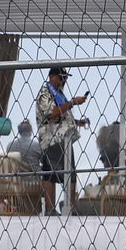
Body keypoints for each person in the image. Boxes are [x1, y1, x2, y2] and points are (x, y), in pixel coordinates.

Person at [34, 65, 90, 214]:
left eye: (64, 79)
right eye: (61, 78)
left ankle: (69, 207)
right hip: (51, 138)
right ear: (52, 76)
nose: (63, 81)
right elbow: (51, 114)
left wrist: (78, 122)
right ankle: (50, 209)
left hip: (64, 139)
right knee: (50, 174)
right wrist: (72, 102)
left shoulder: (58, 94)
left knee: (70, 175)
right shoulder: (45, 94)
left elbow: (62, 117)